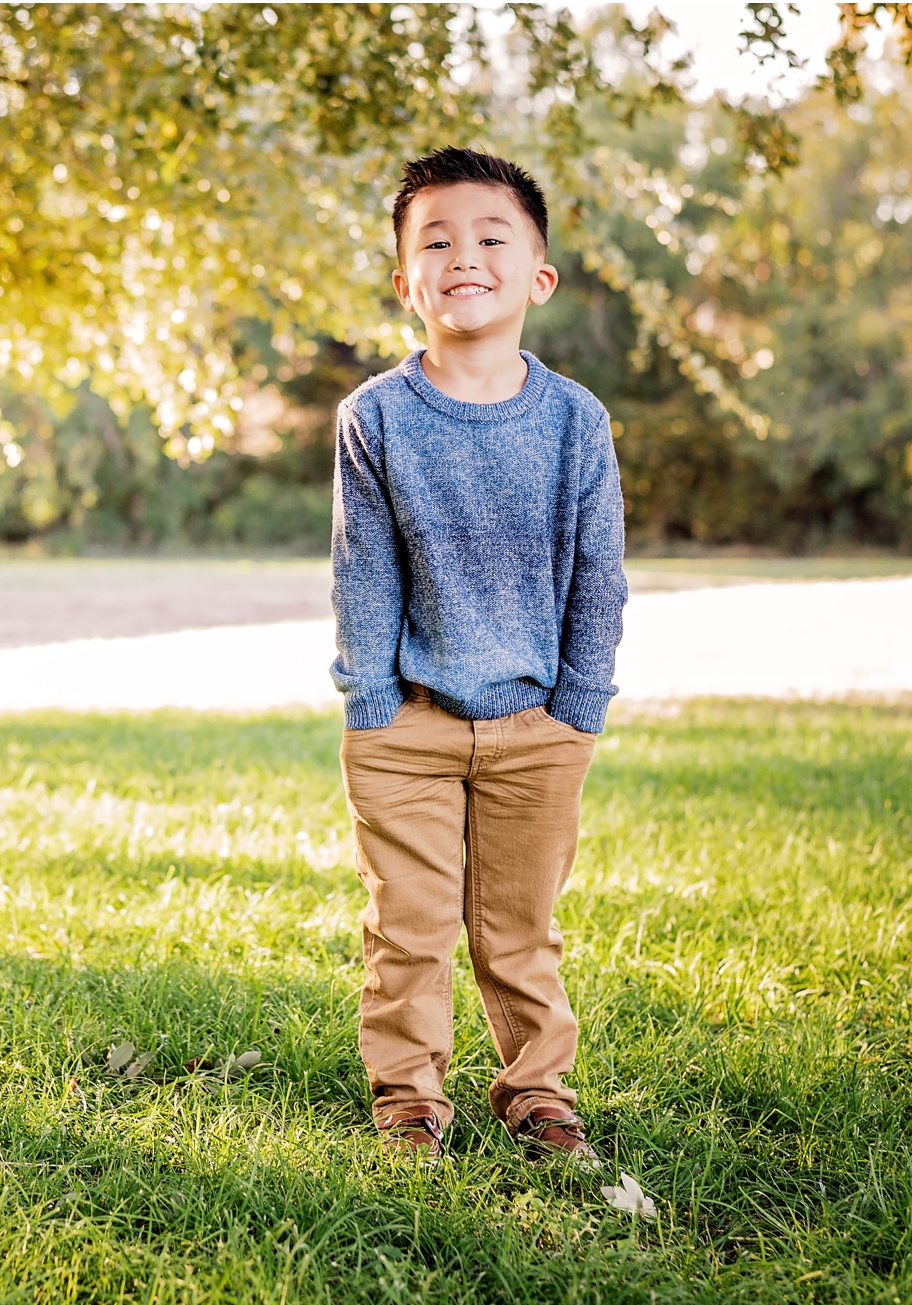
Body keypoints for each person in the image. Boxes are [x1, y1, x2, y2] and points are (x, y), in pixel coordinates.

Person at [330, 146, 627, 1165]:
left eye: (491, 237)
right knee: (406, 926)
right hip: (404, 721)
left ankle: (536, 1090)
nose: (464, 255)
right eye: (436, 240)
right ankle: (409, 1100)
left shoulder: (574, 421)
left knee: (518, 928)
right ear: (405, 280)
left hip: (536, 722)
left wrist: (579, 703)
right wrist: (367, 699)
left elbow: (599, 573)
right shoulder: (373, 416)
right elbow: (361, 568)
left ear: (536, 277)